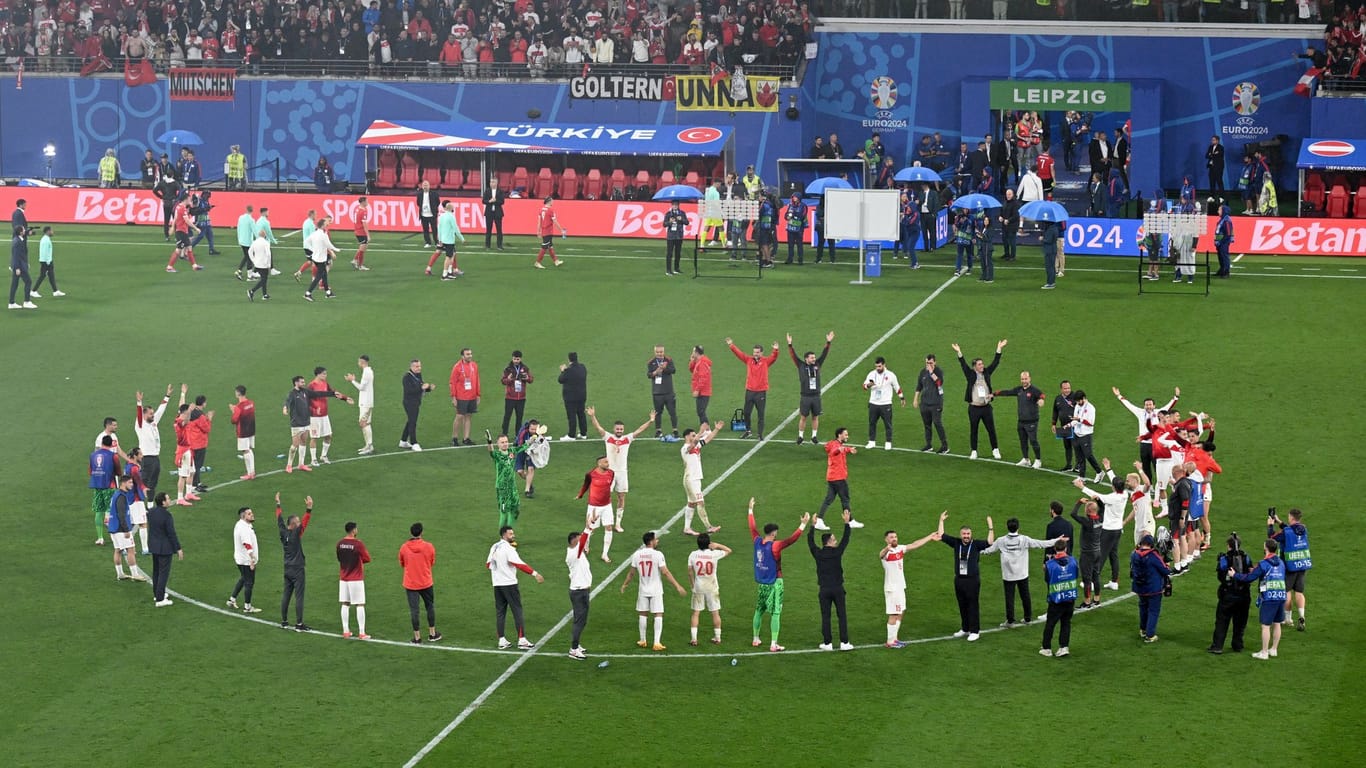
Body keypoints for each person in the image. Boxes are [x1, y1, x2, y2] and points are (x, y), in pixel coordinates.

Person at [586, 406, 654, 548]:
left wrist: (651, 421)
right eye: (617, 429)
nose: (619, 431)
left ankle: (617, 523)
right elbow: (598, 428)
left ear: (623, 430)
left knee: (621, 497)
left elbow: (639, 431)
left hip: (622, 472)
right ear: (614, 429)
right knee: (602, 497)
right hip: (609, 473)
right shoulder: (608, 437)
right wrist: (592, 416)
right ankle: (596, 519)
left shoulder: (627, 439)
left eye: (621, 429)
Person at [749, 499, 808, 652]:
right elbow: (791, 540)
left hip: (761, 584)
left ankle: (755, 639)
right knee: (776, 613)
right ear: (774, 533)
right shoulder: (775, 545)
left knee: (759, 610)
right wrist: (803, 524)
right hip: (774, 583)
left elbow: (752, 528)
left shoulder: (757, 542)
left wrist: (750, 510)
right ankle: (773, 643)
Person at [982, 518, 1063, 628]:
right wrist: (1057, 540)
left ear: (1007, 527)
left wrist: (974, 550)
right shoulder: (1024, 540)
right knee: (1025, 595)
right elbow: (1041, 544)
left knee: (1009, 598)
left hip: (1008, 575)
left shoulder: (1001, 541)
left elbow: (988, 550)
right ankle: (1027, 618)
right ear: (1018, 528)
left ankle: (1010, 621)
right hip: (1022, 574)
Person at [620, 531, 688, 651]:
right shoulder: (658, 555)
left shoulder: (637, 555)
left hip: (643, 589)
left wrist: (625, 584)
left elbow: (631, 573)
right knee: (658, 614)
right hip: (656, 590)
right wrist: (677, 586)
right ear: (651, 541)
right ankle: (656, 643)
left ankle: (642, 640)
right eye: (656, 539)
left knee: (642, 613)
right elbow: (665, 572)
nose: (657, 541)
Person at [935, 510, 995, 641]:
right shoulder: (956, 543)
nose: (966, 536)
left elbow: (990, 542)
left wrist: (990, 526)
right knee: (962, 604)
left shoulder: (976, 544)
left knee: (972, 604)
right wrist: (941, 520)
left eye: (968, 534)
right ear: (960, 534)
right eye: (964, 534)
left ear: (971, 534)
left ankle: (975, 631)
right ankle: (965, 628)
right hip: (959, 579)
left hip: (972, 579)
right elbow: (942, 535)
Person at [880, 527, 940, 648]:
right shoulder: (887, 553)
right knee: (893, 614)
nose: (894, 539)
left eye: (895, 537)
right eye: (891, 537)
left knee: (901, 611)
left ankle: (894, 638)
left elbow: (915, 544)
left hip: (900, 587)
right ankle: (890, 642)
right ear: (886, 539)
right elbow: (880, 555)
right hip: (892, 589)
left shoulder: (900, 549)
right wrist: (887, 548)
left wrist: (930, 537)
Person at [486, 525, 544, 650]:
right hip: (509, 584)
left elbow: (488, 564)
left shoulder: (494, 546)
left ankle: (501, 640)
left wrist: (499, 570)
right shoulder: (509, 549)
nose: (513, 535)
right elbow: (518, 564)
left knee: (500, 612)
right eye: (511, 534)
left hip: (497, 584)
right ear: (504, 535)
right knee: (517, 610)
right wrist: (535, 574)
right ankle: (522, 640)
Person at [1230, 538, 1288, 660]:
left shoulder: (1264, 564)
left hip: (1269, 597)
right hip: (1281, 595)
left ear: (1266, 548)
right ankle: (1274, 649)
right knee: (1277, 623)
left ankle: (1264, 652)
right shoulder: (1281, 562)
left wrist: (1234, 575)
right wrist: (1257, 570)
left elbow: (1249, 578)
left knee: (1265, 626)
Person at [806, 509, 854, 651]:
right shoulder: (837, 552)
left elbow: (810, 542)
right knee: (842, 615)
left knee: (825, 616)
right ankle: (844, 643)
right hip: (838, 589)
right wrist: (846, 523)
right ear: (829, 542)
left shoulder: (818, 554)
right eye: (834, 539)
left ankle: (827, 643)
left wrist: (812, 526)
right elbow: (846, 539)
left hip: (824, 590)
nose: (836, 541)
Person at [952, 339, 1006, 460]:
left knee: (991, 429)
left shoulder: (986, 372)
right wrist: (959, 352)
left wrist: (999, 349)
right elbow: (963, 365)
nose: (982, 366)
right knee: (974, 429)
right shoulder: (970, 374)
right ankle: (974, 451)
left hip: (986, 407)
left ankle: (995, 449)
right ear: (975, 367)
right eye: (980, 364)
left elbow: (995, 363)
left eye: (982, 364)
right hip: (974, 408)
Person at [725, 337, 779, 439]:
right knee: (746, 413)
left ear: (762, 353)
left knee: (760, 414)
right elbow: (739, 354)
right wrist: (731, 345)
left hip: (760, 392)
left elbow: (774, 357)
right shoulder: (749, 360)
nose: (755, 354)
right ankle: (748, 431)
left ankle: (760, 434)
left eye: (757, 352)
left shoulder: (766, 361)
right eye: (754, 352)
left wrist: (775, 350)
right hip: (749, 391)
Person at [1209, 532, 1252, 654]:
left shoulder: (1224, 558)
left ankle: (1217, 646)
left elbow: (1221, 575)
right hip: (1244, 594)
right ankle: (1237, 645)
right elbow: (1250, 571)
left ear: (1229, 545)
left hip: (1228, 595)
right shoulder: (1246, 557)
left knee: (1222, 620)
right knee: (1240, 621)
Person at [680, 421, 726, 536]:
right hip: (691, 479)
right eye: (693, 435)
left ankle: (687, 528)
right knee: (700, 502)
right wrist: (700, 432)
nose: (695, 437)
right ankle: (709, 527)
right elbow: (691, 447)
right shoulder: (684, 448)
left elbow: (707, 439)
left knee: (691, 503)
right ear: (687, 436)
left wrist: (716, 429)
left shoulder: (696, 445)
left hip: (695, 478)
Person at [1269, 507, 1311, 631]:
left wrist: (1270, 525)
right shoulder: (1303, 529)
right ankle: (1302, 616)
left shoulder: (1286, 532)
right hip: (1302, 563)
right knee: (1299, 592)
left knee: (1287, 592)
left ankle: (1288, 619)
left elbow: (1272, 537)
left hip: (1289, 566)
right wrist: (1279, 522)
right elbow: (1291, 530)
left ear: (1291, 517)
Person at [994, 371, 1046, 468]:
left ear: (1029, 379)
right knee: (1023, 441)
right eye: (1022, 379)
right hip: (1021, 421)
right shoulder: (1019, 390)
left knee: (1033, 440)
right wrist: (994, 394)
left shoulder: (1034, 390)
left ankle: (1038, 460)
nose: (1024, 381)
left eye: (1026, 379)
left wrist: (1041, 400)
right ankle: (1026, 459)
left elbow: (1042, 395)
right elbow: (1008, 392)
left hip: (1032, 421)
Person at [400, 522, 441, 644]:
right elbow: (432, 562)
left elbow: (402, 563)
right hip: (426, 582)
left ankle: (417, 637)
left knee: (414, 610)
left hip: (411, 583)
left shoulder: (404, 548)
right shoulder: (429, 546)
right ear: (421, 532)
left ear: (411, 533)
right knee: (430, 606)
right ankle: (432, 634)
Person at [789, 331, 833, 445]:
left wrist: (828, 342)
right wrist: (790, 345)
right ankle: (800, 436)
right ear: (806, 359)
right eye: (812, 358)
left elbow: (824, 354)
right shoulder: (801, 365)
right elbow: (793, 356)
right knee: (803, 417)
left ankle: (814, 436)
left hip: (816, 396)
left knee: (815, 416)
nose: (814, 359)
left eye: (814, 357)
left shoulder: (818, 364)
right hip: (805, 396)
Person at [277, 492, 313, 632]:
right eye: (297, 522)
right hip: (297, 568)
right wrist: (309, 509)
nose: (299, 524)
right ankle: (299, 624)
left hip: (287, 567)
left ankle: (284, 622)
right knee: (299, 596)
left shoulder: (283, 532)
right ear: (293, 524)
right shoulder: (296, 534)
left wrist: (278, 504)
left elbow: (279, 519)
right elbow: (305, 522)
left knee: (286, 594)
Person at [688, 532, 731, 646]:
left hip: (698, 587)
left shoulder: (693, 554)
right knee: (715, 612)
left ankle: (694, 639)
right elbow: (729, 550)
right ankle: (717, 638)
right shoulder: (714, 554)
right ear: (709, 543)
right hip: (712, 586)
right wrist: (717, 545)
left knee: (696, 613)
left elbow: (690, 572)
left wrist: (692, 585)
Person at [305, 367, 354, 466]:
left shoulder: (325, 383)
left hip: (324, 415)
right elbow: (306, 400)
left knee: (328, 435)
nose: (325, 375)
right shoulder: (311, 385)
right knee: (314, 437)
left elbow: (333, 393)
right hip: (314, 416)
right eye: (323, 374)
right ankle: (313, 459)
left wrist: (345, 398)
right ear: (318, 374)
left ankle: (323, 456)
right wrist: (314, 409)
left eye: (326, 374)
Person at [107, 475, 151, 583]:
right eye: (130, 483)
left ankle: (120, 574)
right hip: (121, 529)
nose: (132, 485)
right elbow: (121, 515)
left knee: (118, 550)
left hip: (113, 527)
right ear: (123, 483)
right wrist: (126, 530)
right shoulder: (121, 497)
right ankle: (135, 574)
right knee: (131, 550)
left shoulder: (117, 495)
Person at [1040, 540, 1078, 657]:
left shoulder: (1050, 564)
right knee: (1066, 622)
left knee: (1050, 623)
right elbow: (1076, 574)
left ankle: (1046, 648)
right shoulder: (1073, 561)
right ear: (1065, 548)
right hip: (1070, 597)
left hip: (1056, 598)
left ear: (1055, 549)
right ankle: (1064, 647)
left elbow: (1047, 579)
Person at [134, 386, 172, 502]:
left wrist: (167, 396)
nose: (153, 415)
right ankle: (139, 504)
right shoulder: (140, 425)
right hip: (146, 458)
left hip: (155, 457)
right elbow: (139, 415)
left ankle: (149, 505)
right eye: (150, 414)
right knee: (144, 483)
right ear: (145, 415)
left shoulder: (153, 422)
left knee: (153, 483)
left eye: (153, 413)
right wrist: (139, 402)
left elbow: (161, 409)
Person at [1131, 533, 1170, 643]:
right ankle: (1150, 634)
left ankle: (1143, 630)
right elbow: (1165, 570)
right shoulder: (1153, 556)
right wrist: (1167, 564)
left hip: (1140, 588)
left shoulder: (1134, 554)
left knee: (1143, 609)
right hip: (1153, 589)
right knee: (1153, 611)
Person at [145, 492, 183, 607]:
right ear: (163, 502)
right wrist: (178, 548)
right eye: (167, 499)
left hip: (153, 546)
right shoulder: (167, 516)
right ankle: (160, 599)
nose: (169, 500)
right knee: (163, 573)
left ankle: (157, 594)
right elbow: (171, 534)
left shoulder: (151, 512)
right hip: (164, 548)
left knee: (156, 571)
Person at [565, 521, 595, 659]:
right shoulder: (573, 554)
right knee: (579, 621)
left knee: (582, 620)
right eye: (579, 538)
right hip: (578, 592)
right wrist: (587, 529)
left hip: (583, 591)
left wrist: (591, 525)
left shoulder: (578, 553)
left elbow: (583, 543)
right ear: (574, 541)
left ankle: (577, 645)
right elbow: (583, 541)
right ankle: (573, 649)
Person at [336, 520, 371, 639]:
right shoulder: (358, 544)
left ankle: (346, 631)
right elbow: (367, 558)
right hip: (356, 578)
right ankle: (362, 632)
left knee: (345, 603)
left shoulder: (339, 543)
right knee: (360, 604)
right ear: (354, 530)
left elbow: (339, 558)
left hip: (344, 578)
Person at [488, 432, 530, 529]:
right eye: (502, 442)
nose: (505, 444)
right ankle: (502, 538)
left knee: (515, 510)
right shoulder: (497, 455)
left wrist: (533, 438)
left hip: (512, 487)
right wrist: (489, 442)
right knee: (504, 512)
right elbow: (491, 452)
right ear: (498, 444)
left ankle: (510, 534)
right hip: (502, 488)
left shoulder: (512, 451)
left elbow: (524, 446)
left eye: (506, 441)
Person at [227, 506, 262, 613]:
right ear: (243, 516)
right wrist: (252, 559)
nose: (252, 515)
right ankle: (247, 607)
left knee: (244, 578)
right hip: (246, 561)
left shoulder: (241, 524)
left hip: (241, 558)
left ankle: (232, 600)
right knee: (249, 582)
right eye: (249, 514)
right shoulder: (244, 528)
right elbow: (247, 544)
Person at [913, 353, 948, 453]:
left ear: (935, 362)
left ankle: (945, 446)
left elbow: (939, 383)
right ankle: (928, 445)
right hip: (925, 403)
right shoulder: (923, 372)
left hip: (936, 403)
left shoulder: (938, 371)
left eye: (930, 363)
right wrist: (916, 399)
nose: (928, 365)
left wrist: (932, 372)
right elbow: (919, 386)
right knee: (927, 425)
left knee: (937, 423)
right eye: (927, 363)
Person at [1066, 390, 1103, 481]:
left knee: (1088, 455)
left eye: (1079, 401)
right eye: (1076, 401)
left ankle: (1099, 472)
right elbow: (1075, 419)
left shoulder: (1091, 408)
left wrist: (1079, 419)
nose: (1078, 403)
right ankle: (1081, 477)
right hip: (1076, 434)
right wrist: (1068, 425)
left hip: (1086, 435)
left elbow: (1091, 423)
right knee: (1079, 457)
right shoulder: (1077, 406)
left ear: (1083, 398)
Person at [400, 359, 437, 451]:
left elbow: (421, 386)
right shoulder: (406, 377)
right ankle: (414, 443)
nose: (419, 368)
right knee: (413, 422)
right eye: (417, 366)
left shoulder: (418, 375)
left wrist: (429, 388)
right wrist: (421, 388)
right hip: (409, 402)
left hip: (416, 402)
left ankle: (403, 441)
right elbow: (409, 391)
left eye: (420, 366)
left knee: (410, 421)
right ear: (411, 367)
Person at [90, 435, 120, 546]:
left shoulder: (93, 455)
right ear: (111, 444)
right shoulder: (113, 456)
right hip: (109, 485)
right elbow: (118, 471)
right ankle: (114, 538)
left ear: (102, 443)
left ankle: (100, 538)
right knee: (111, 511)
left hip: (97, 486)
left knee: (98, 511)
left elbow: (90, 471)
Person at [448, 348, 480, 447]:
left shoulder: (474, 365)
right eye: (467, 354)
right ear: (462, 356)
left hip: (472, 396)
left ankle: (466, 438)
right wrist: (453, 397)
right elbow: (452, 383)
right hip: (461, 396)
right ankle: (454, 438)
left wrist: (478, 394)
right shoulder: (457, 367)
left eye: (470, 354)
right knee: (459, 416)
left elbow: (477, 380)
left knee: (468, 416)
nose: (470, 356)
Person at [344, 355, 375, 455]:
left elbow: (361, 387)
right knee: (365, 423)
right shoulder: (368, 371)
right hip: (366, 402)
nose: (358, 364)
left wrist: (352, 380)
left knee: (363, 423)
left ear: (362, 362)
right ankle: (368, 445)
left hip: (366, 403)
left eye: (359, 362)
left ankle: (370, 446)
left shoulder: (366, 372)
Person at [302, 217, 338, 301]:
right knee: (319, 277)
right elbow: (328, 245)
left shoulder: (315, 233)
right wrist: (335, 250)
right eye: (325, 224)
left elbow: (306, 241)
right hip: (321, 259)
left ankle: (328, 293)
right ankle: (308, 293)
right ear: (322, 225)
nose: (326, 225)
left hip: (315, 258)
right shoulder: (323, 234)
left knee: (324, 274)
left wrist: (313, 249)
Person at [647, 345, 679, 438]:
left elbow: (673, 370)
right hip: (657, 392)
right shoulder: (651, 362)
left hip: (669, 391)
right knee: (658, 412)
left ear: (663, 351)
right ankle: (658, 430)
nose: (659, 354)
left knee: (672, 412)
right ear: (655, 352)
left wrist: (665, 368)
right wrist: (655, 372)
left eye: (661, 352)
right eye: (657, 352)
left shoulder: (668, 360)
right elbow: (649, 375)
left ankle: (675, 430)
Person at [428, 201, 466, 279]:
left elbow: (439, 228)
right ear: (451, 208)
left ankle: (449, 272)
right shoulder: (451, 217)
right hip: (449, 240)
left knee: (451, 255)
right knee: (449, 257)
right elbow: (455, 228)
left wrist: (439, 239)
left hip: (443, 239)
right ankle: (445, 274)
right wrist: (462, 238)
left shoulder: (441, 216)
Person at [499, 351, 533, 437]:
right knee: (507, 416)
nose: (516, 361)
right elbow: (503, 381)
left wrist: (527, 378)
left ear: (520, 359)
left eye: (518, 359)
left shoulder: (525, 368)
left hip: (521, 398)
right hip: (510, 397)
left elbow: (531, 379)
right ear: (512, 358)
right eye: (514, 359)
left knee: (519, 417)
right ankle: (504, 433)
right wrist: (509, 379)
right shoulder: (508, 369)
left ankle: (518, 434)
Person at [557, 352, 588, 440]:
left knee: (571, 416)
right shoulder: (582, 367)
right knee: (581, 414)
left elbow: (560, 380)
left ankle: (571, 435)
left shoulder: (568, 370)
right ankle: (583, 433)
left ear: (569, 359)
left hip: (570, 398)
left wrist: (563, 370)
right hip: (582, 396)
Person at [231, 385, 257, 480]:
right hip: (251, 429)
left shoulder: (239, 407)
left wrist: (234, 411)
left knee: (245, 450)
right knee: (249, 449)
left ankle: (250, 473)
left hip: (243, 431)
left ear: (238, 393)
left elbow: (234, 420)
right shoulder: (251, 403)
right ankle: (252, 472)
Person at [533, 197, 567, 268]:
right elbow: (555, 222)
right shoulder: (551, 210)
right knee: (544, 247)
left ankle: (556, 261)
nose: (553, 202)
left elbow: (539, 221)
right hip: (548, 231)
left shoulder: (541, 209)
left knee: (550, 246)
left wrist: (538, 231)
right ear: (548, 202)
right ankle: (537, 262)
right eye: (552, 201)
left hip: (544, 230)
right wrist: (561, 230)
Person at [31, 226, 62, 298]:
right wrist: (48, 262)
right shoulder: (46, 240)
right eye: (51, 231)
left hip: (46, 261)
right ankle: (33, 291)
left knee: (51, 276)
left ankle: (55, 291)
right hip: (46, 261)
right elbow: (45, 252)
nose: (52, 232)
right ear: (48, 231)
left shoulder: (46, 239)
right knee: (42, 276)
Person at [688, 345, 713, 426]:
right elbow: (692, 370)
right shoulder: (699, 361)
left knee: (701, 411)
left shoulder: (702, 363)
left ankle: (707, 431)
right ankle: (705, 430)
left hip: (703, 392)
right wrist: (692, 361)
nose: (692, 353)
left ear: (696, 353)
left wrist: (697, 390)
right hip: (703, 391)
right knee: (700, 411)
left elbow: (703, 378)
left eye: (693, 351)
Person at [245, 229, 273, 301]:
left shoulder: (255, 242)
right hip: (264, 264)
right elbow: (268, 254)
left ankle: (265, 294)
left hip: (257, 264)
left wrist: (253, 260)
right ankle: (252, 291)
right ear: (264, 235)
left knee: (263, 278)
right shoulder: (266, 243)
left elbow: (250, 251)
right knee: (264, 280)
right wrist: (269, 264)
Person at [663, 199, 688, 276]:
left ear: (678, 205)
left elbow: (687, 222)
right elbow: (664, 224)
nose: (675, 206)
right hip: (671, 236)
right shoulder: (668, 214)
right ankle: (668, 270)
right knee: (669, 253)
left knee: (678, 253)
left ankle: (676, 268)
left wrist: (682, 219)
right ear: (671, 205)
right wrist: (670, 222)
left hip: (679, 236)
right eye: (673, 205)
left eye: (676, 205)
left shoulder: (682, 213)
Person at [233, 205, 257, 280]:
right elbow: (255, 231)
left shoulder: (241, 218)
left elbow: (238, 228)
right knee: (249, 257)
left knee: (246, 256)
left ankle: (239, 271)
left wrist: (239, 239)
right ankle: (249, 276)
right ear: (252, 211)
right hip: (248, 242)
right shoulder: (251, 220)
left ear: (246, 210)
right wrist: (260, 239)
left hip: (242, 240)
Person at [482, 177, 506, 250]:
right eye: (491, 182)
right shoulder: (487, 191)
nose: (491, 183)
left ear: (496, 183)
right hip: (489, 213)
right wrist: (489, 201)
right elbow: (483, 201)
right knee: (488, 230)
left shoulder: (500, 191)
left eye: (493, 182)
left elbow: (502, 201)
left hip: (498, 213)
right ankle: (487, 245)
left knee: (499, 230)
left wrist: (495, 201)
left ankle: (499, 245)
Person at [783, 194, 807, 265]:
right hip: (790, 228)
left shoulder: (803, 206)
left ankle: (800, 259)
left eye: (795, 197)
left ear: (799, 198)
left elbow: (803, 215)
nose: (794, 198)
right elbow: (786, 214)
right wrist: (787, 216)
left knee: (799, 244)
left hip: (799, 228)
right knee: (790, 244)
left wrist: (794, 214)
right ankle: (790, 259)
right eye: (793, 197)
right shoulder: (790, 205)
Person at [416, 179, 440, 247]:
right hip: (423, 215)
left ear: (429, 186)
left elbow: (438, 202)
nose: (425, 186)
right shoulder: (419, 194)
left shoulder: (434, 194)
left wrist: (434, 209)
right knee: (425, 229)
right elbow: (418, 203)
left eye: (426, 185)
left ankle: (436, 242)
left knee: (434, 229)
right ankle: (428, 242)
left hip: (432, 215)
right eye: (424, 185)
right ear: (422, 186)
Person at [1213, 204, 1234, 278]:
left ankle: (1226, 272)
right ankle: (1222, 270)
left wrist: (1221, 241)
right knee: (1220, 256)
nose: (1218, 211)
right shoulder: (1222, 219)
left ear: (1223, 211)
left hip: (1224, 242)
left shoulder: (1227, 220)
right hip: (1220, 241)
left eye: (1219, 210)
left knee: (1224, 256)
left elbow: (1228, 233)